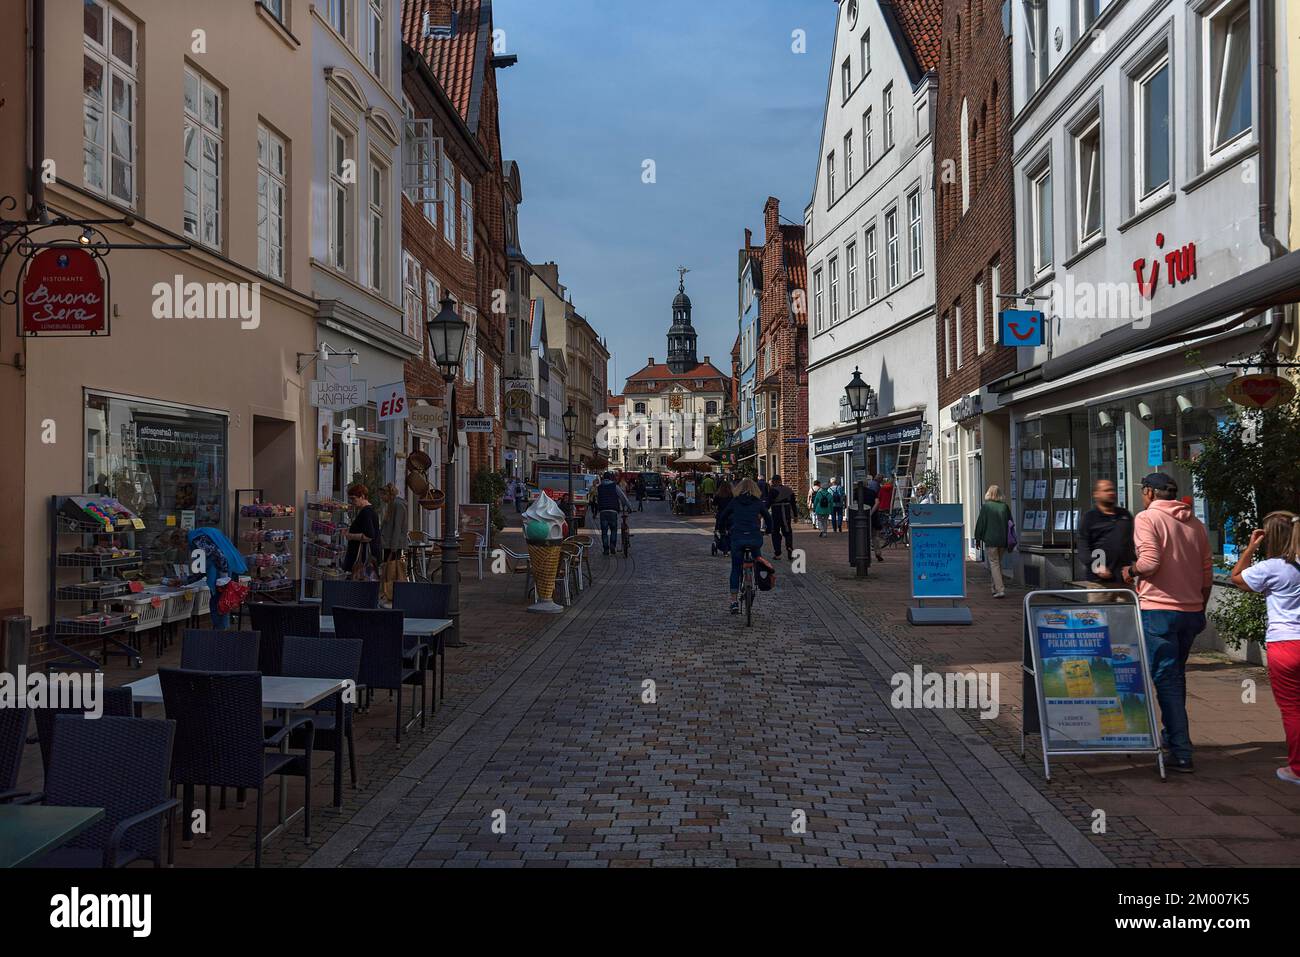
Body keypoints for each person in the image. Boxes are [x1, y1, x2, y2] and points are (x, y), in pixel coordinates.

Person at [1121, 473, 1212, 774]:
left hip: (1158, 609)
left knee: (1166, 678)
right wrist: (1200, 607)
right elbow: (1207, 572)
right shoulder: (1195, 524)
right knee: (1175, 676)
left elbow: (1150, 562)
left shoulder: (1147, 518)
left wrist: (1130, 570)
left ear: (1148, 492)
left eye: (1142, 491)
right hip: (1191, 610)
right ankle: (1172, 739)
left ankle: (1181, 751)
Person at [1230, 511, 1300, 785]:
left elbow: (1237, 578)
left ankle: (1296, 768)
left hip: (1285, 644)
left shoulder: (1271, 567)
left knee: (1293, 709)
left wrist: (1251, 547)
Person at [717, 477, 772, 615]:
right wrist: (769, 530)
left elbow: (722, 516)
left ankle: (734, 601)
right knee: (758, 559)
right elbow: (768, 517)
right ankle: (758, 581)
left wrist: (722, 530)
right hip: (754, 538)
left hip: (737, 538)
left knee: (736, 568)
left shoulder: (734, 502)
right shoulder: (757, 502)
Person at [1077, 479, 1134, 589]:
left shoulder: (1125, 515)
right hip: (1099, 583)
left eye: (1112, 490)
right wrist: (1096, 566)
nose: (1111, 493)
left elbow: (1133, 541)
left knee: (1128, 606)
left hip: (1124, 579)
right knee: (1100, 606)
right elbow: (1083, 546)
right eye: (1106, 490)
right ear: (1096, 494)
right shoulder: (1090, 517)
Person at [972, 485, 1012, 598]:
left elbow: (981, 524)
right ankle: (994, 588)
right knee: (997, 563)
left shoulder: (986, 507)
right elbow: (1010, 523)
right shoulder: (1005, 507)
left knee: (994, 564)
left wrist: (978, 538)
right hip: (1003, 540)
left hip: (991, 539)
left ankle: (1000, 589)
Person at [342, 483, 381, 576]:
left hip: (361, 557)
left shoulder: (366, 512)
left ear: (362, 496)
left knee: (358, 583)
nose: (352, 501)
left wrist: (350, 536)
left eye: (353, 498)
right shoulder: (370, 510)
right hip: (366, 555)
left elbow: (369, 536)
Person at [594, 471, 632, 555]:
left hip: (603, 511)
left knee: (604, 531)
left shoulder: (599, 487)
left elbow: (596, 499)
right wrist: (629, 507)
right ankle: (612, 545)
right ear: (611, 478)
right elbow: (623, 497)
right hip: (613, 510)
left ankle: (606, 549)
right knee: (613, 529)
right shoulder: (614, 486)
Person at [765, 475, 796, 559]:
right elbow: (793, 504)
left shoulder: (773, 491)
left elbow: (768, 503)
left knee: (775, 533)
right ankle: (789, 547)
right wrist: (795, 516)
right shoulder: (789, 490)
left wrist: (763, 513)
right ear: (780, 480)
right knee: (787, 531)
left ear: (774, 481)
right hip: (786, 513)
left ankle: (777, 553)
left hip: (776, 513)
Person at [378, 483, 408, 564]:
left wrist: (394, 546)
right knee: (388, 568)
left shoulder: (398, 505)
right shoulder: (391, 504)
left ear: (387, 494)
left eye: (382, 495)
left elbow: (397, 526)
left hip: (394, 544)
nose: (381, 498)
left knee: (393, 569)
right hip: (389, 543)